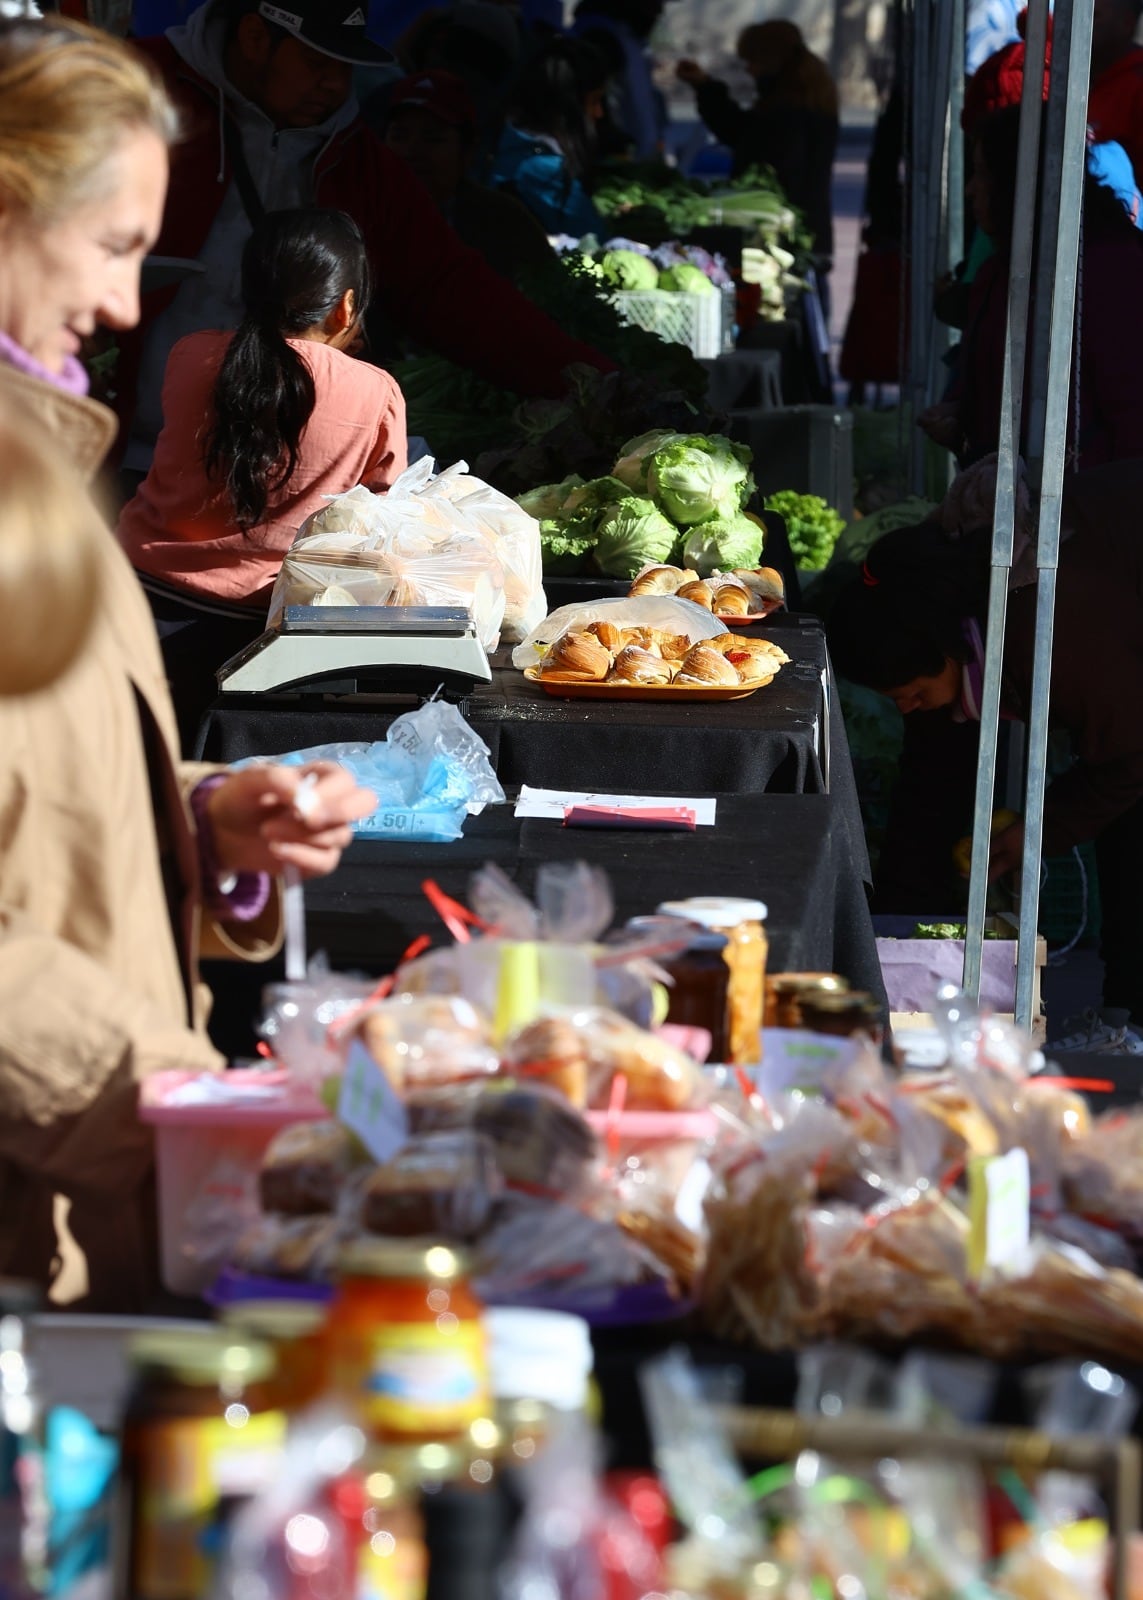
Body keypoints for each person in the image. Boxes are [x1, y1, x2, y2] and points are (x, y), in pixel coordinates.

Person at [0, 15, 375, 1308]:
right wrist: (171, 1104)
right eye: (110, 249)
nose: (122, 303)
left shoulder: (48, 460)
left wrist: (206, 831)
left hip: (73, 1212)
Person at [118, 0, 613, 481]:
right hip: (125, 451)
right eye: (316, 60)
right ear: (253, 38)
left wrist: (592, 381)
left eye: (345, 64)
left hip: (280, 471)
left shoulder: (357, 160)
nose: (334, 82)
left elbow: (451, 288)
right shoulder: (131, 90)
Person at [827, 458, 1143, 1026]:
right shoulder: (959, 614)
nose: (907, 708)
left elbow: (1129, 757)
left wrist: (1038, 831)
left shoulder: (1049, 633)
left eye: (911, 692)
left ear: (945, 650)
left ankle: (1131, 1026)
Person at [119, 205, 407, 749]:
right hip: (266, 639)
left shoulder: (190, 355)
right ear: (346, 308)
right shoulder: (376, 391)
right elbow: (379, 513)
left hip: (138, 606)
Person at [919, 104, 1143, 470]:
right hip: (1016, 504)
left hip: (1086, 509)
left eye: (981, 174)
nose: (971, 191)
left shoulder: (1108, 270)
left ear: (1016, 181)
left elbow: (1130, 413)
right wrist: (961, 417)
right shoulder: (1001, 271)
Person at [676, 22, 839, 279]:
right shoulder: (806, 98)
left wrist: (706, 88)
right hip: (808, 229)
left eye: (752, 62)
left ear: (770, 60)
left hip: (789, 235)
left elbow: (743, 136)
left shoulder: (787, 112)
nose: (750, 71)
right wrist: (705, 86)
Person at [383, 69, 554, 279]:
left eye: (433, 138)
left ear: (467, 151)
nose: (411, 151)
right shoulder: (356, 214)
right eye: (399, 136)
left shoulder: (506, 223)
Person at [491, 34, 609, 237]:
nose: (599, 113)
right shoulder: (543, 170)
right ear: (568, 107)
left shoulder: (509, 142)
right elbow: (591, 237)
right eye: (594, 101)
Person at [572, 0, 671, 160]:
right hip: (612, 163)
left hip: (636, 161)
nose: (659, 11)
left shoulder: (631, 39)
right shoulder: (599, 36)